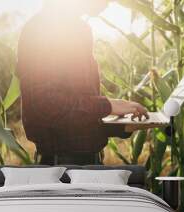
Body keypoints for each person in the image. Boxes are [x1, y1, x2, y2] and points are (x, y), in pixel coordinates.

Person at [17, 0, 148, 165]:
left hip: (84, 165)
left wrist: (122, 125)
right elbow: (46, 104)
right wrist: (107, 106)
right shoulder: (43, 29)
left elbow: (74, 117)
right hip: (63, 171)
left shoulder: (77, 29)